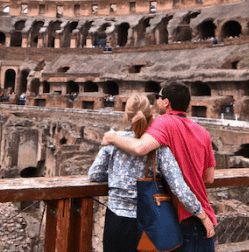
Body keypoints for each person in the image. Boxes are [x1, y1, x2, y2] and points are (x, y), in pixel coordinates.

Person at [89, 94, 213, 252]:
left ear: (127, 115)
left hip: (116, 219)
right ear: (150, 115)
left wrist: (115, 177)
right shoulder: (159, 148)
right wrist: (202, 214)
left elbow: (94, 175)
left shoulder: (112, 142)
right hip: (150, 222)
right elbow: (179, 188)